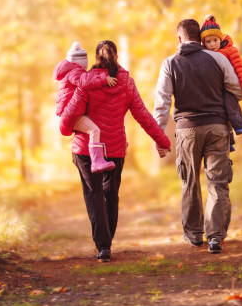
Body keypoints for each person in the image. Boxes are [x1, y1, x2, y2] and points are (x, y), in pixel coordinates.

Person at [61, 40, 171, 262]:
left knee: (94, 195)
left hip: (85, 150)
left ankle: (103, 246)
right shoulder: (126, 83)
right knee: (110, 195)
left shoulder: (87, 83)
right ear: (117, 56)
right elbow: (143, 115)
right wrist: (163, 141)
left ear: (96, 58)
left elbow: (67, 122)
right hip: (115, 148)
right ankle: (107, 242)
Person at [153, 19, 242, 254]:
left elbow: (162, 103)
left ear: (179, 39)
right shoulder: (219, 58)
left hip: (187, 129)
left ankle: (194, 235)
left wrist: (158, 134)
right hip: (217, 128)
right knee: (218, 182)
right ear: (201, 37)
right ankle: (215, 237)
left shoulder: (170, 63)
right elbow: (236, 88)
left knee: (190, 182)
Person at [53, 41, 117, 173]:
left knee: (92, 129)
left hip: (69, 114)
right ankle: (97, 161)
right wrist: (104, 79)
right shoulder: (74, 72)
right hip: (70, 115)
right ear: (81, 61)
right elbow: (85, 81)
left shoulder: (70, 70)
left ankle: (97, 160)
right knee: (94, 130)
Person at [199, 15, 242, 151]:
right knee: (220, 114)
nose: (212, 44)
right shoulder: (204, 54)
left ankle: (240, 125)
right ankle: (229, 141)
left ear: (221, 39)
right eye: (208, 42)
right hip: (215, 89)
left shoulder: (230, 51)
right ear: (204, 43)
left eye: (215, 40)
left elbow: (240, 69)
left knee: (230, 105)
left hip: (228, 88)